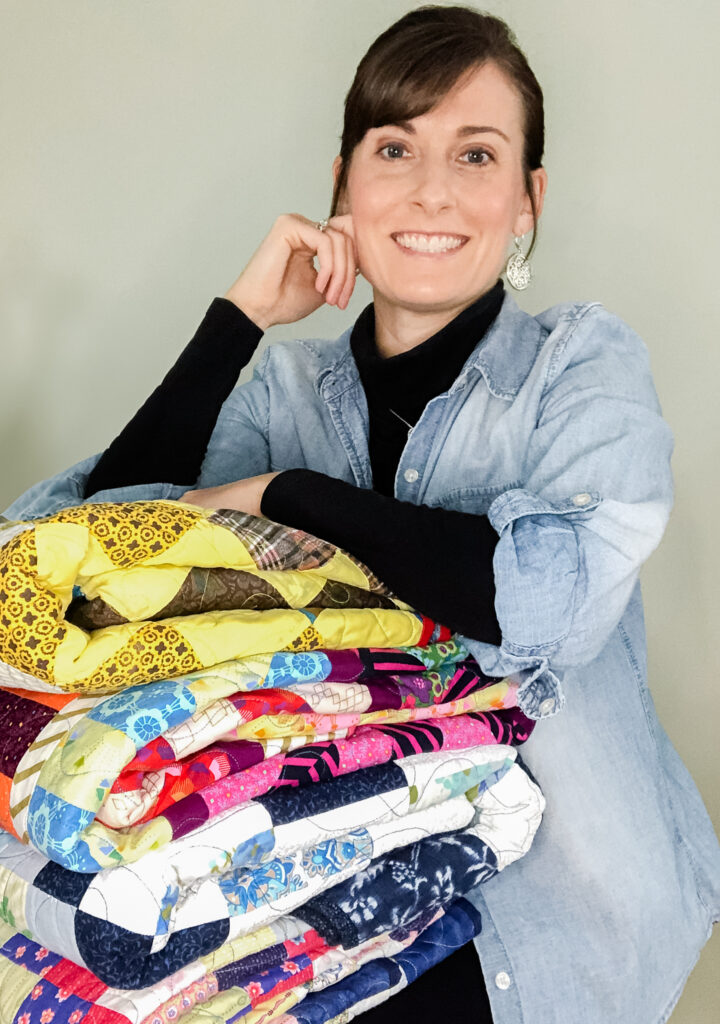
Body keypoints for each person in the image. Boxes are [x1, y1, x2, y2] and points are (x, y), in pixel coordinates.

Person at [4, 6, 719, 1022]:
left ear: (529, 200)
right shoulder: (284, 389)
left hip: (560, 910)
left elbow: (545, 603)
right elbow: (77, 562)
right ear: (343, 182)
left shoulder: (581, 366)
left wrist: (282, 496)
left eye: (477, 153)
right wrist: (238, 321)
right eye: (395, 147)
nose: (432, 190)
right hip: (323, 884)